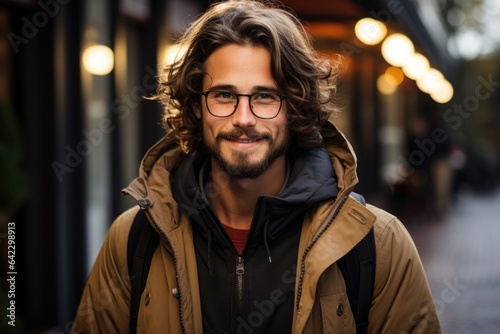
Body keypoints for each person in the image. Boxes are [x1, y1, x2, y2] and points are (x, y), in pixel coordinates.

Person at [72, 0, 441, 333]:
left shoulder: (377, 243)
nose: (244, 118)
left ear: (294, 106)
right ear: (197, 107)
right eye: (224, 95)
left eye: (265, 96)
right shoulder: (134, 239)